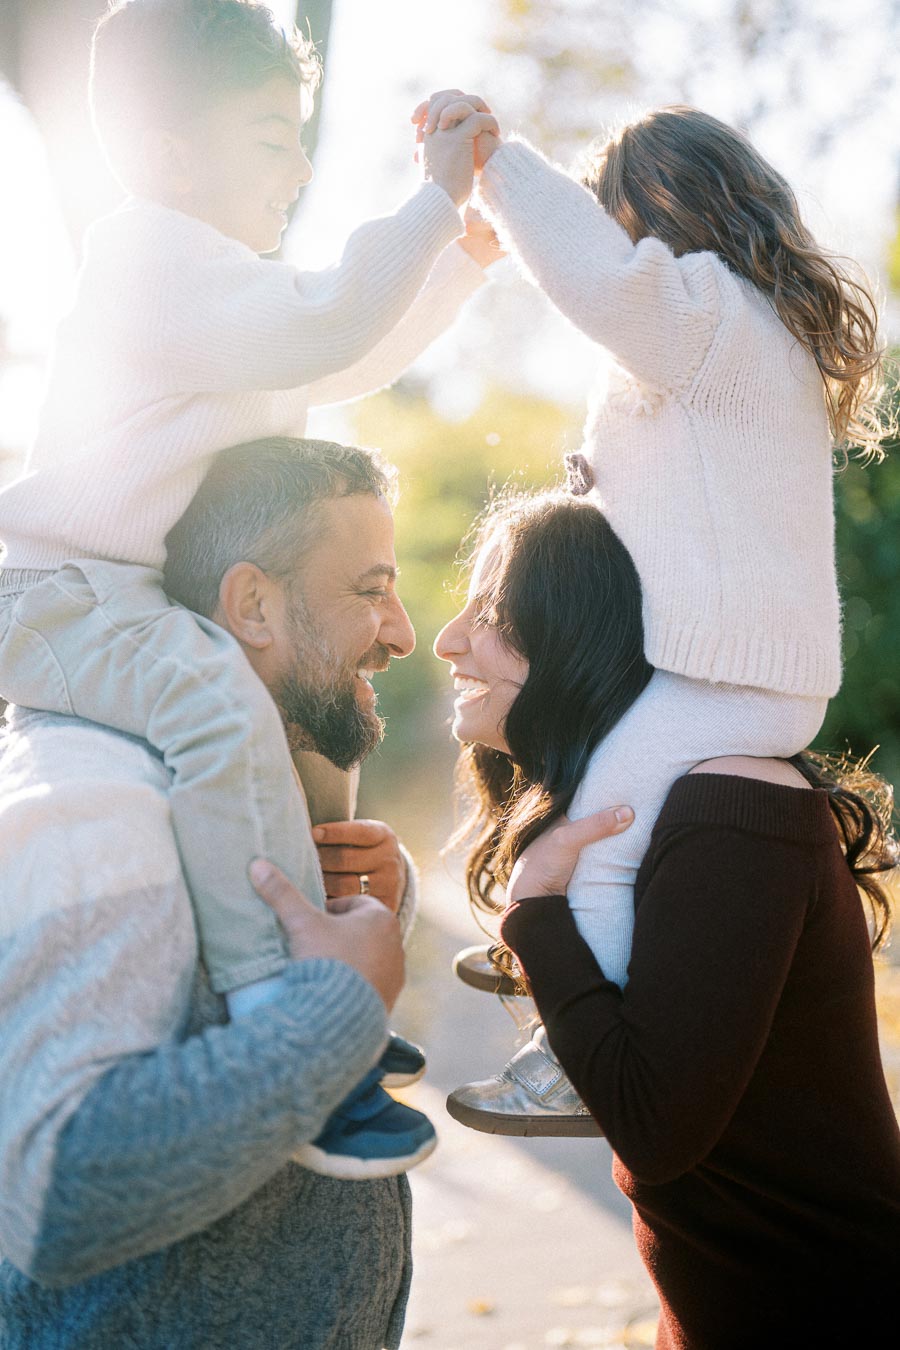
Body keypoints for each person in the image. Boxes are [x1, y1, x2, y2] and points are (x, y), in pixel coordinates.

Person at [0, 1, 500, 1178]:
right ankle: (283, 1019)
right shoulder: (150, 258)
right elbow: (326, 320)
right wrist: (430, 200)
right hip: (57, 595)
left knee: (306, 719)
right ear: (175, 152)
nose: (301, 164)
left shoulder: (222, 286)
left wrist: (458, 265)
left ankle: (322, 968)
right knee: (217, 697)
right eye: (272, 137)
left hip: (114, 588)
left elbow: (342, 348)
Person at [415, 92, 892, 1122]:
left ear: (658, 210)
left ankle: (573, 1040)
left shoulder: (712, 314)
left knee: (605, 820)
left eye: (611, 213)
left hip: (732, 679)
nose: (604, 238)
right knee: (598, 799)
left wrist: (499, 164)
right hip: (727, 671)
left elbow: (593, 282)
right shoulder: (728, 336)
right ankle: (581, 954)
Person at [433, 488, 900, 1346]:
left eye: (492, 612)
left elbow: (655, 1127)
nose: (447, 640)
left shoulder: (731, 808)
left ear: (585, 631)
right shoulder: (681, 808)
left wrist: (537, 915)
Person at [0, 435, 431, 1349]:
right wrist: (337, 1010)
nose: (403, 632)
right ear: (253, 604)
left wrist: (368, 911)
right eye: (370, 590)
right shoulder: (95, 809)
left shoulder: (240, 781)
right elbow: (57, 1193)